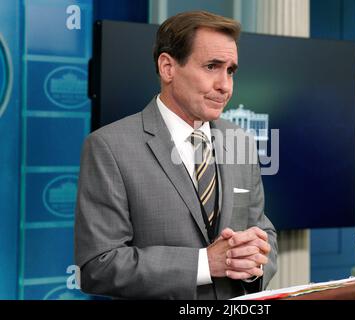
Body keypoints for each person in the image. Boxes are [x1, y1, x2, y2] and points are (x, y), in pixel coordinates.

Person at [75, 10, 277, 300]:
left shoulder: (241, 141)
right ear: (168, 67)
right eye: (211, 66)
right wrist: (205, 263)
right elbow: (98, 266)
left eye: (230, 70)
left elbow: (263, 231)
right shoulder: (109, 147)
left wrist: (255, 261)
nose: (225, 85)